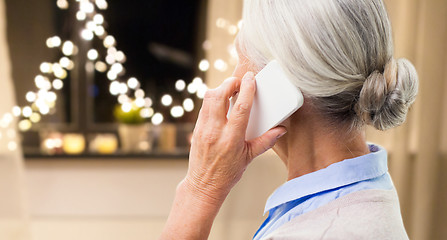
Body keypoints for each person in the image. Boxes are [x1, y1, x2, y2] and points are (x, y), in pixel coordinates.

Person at [160, 0, 418, 239]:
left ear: (280, 82)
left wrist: (199, 191)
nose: (234, 78)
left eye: (241, 58)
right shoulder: (369, 189)